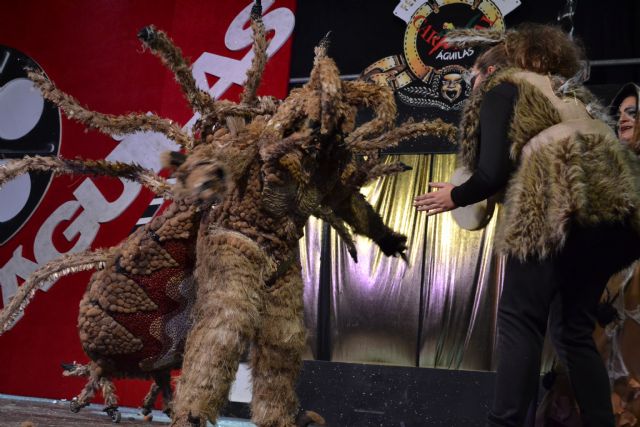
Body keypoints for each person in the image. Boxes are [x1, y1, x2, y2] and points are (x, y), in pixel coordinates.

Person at [414, 23, 640, 427]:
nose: (473, 84)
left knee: (520, 320)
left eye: (474, 76)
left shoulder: (504, 87)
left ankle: (505, 423)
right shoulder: (572, 93)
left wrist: (455, 195)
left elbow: (490, 174)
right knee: (573, 331)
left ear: (492, 68)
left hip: (558, 204)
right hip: (617, 219)